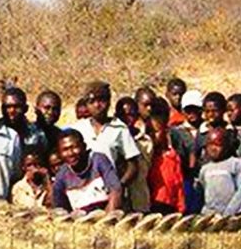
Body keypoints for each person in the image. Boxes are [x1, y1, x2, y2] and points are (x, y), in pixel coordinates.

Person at [69, 81, 140, 210]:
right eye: (92, 101)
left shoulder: (119, 128)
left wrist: (119, 186)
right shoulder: (78, 129)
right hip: (83, 193)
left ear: (108, 101)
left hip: (109, 194)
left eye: (102, 100)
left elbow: (133, 165)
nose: (97, 105)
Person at [51, 130, 122, 213]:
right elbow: (60, 208)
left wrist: (107, 220)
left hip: (107, 214)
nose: (70, 153)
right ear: (59, 153)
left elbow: (116, 190)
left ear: (84, 146)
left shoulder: (98, 160)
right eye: (65, 150)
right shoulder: (61, 176)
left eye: (74, 147)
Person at [196, 127, 241, 216]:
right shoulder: (205, 168)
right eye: (210, 145)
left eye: (218, 145)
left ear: (226, 146)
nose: (213, 148)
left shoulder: (235, 164)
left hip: (231, 214)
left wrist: (229, 212)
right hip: (209, 214)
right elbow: (201, 189)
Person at [146, 99, 186, 214]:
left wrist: (181, 207)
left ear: (165, 130)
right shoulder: (147, 157)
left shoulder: (172, 157)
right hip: (151, 205)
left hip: (169, 206)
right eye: (149, 132)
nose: (152, 136)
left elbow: (178, 184)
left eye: (156, 132)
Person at [169, 90, 204, 213]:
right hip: (185, 177)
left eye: (195, 110)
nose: (192, 114)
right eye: (188, 110)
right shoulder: (176, 132)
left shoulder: (207, 129)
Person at [1, 87, 48, 156]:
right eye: (8, 107)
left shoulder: (37, 134)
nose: (12, 111)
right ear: (2, 109)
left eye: (17, 107)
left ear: (25, 108)